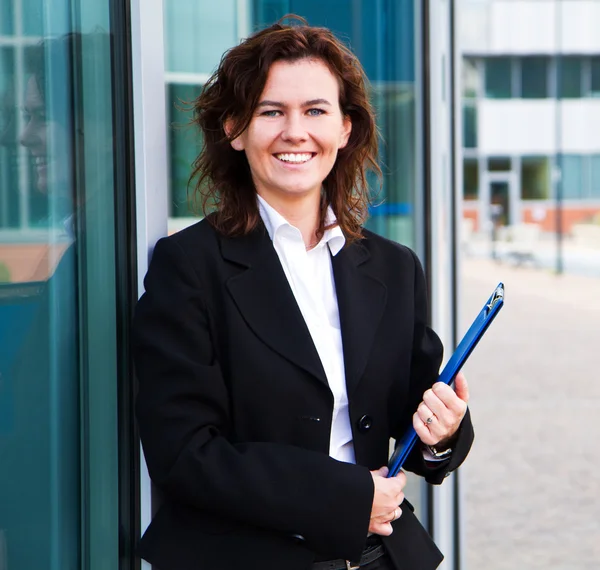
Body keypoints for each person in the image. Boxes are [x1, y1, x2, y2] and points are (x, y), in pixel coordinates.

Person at [133, 16, 474, 570]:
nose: (296, 132)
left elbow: (417, 417)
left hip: (382, 556)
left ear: (345, 129)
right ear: (235, 130)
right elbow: (184, 454)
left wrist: (443, 431)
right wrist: (345, 499)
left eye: (316, 110)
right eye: (271, 112)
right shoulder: (188, 266)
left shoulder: (393, 267)